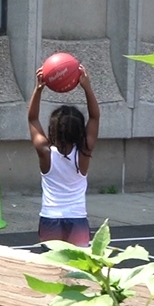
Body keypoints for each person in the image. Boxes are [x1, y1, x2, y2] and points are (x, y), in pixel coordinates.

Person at [28, 66, 101, 246]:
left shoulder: (45, 152)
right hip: (76, 219)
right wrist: (87, 87)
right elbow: (94, 118)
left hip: (50, 217)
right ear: (79, 131)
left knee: (51, 269)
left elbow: (32, 119)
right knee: (78, 270)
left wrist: (38, 89)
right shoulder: (84, 152)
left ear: (53, 130)